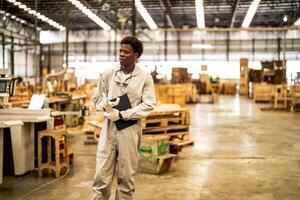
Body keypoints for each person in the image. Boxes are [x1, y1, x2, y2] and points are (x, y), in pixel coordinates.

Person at [92, 36, 156, 200]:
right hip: (109, 128)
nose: (121, 54)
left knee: (126, 178)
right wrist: (103, 105)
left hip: (130, 130)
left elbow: (149, 104)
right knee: (101, 175)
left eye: (126, 52)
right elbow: (96, 99)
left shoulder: (144, 77)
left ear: (136, 55)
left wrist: (122, 114)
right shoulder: (108, 73)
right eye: (120, 51)